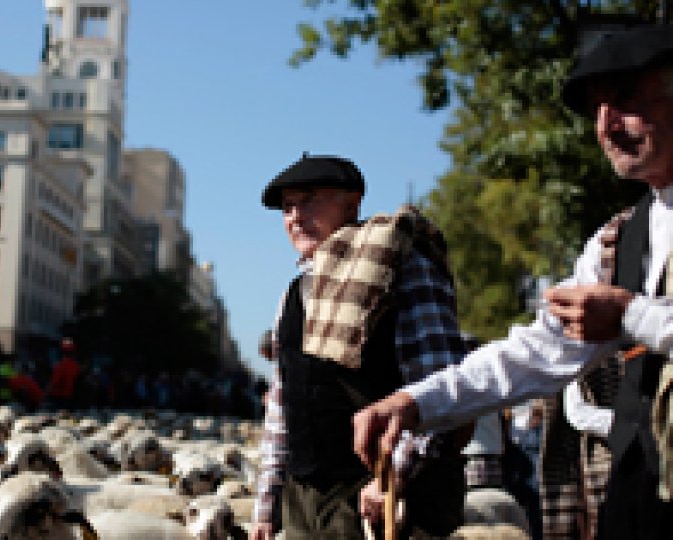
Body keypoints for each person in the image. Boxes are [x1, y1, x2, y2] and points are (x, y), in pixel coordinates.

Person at [352, 25, 673, 539]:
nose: (607, 125)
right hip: (643, 496)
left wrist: (633, 316)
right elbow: (538, 352)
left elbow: (626, 317)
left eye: (625, 98)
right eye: (595, 110)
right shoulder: (618, 240)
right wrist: (416, 403)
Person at [250, 154, 469, 539]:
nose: (296, 216)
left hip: (386, 498)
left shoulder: (402, 267)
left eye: (310, 199)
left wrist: (393, 476)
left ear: (352, 202)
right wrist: (267, 506)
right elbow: (283, 406)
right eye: (287, 207)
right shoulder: (294, 293)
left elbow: (438, 385)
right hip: (306, 501)